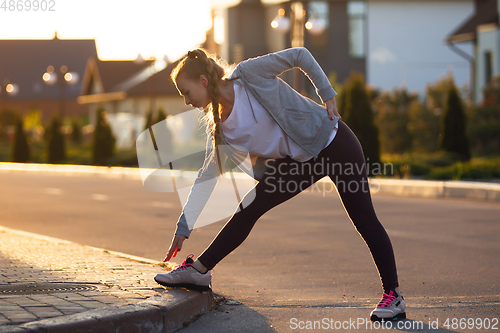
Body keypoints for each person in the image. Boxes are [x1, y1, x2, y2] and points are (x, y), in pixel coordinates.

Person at [153, 47, 406, 322]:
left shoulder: (248, 75)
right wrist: (183, 227)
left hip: (334, 143)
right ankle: (199, 270)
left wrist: (328, 94)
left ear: (203, 80)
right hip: (301, 162)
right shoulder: (221, 128)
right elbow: (206, 176)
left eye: (186, 92)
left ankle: (393, 296)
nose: (187, 101)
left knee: (364, 220)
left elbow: (300, 54)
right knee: (248, 207)